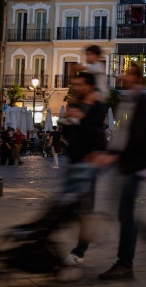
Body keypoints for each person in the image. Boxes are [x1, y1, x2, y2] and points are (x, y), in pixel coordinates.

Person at [91, 63, 146, 280]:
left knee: (126, 214)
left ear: (135, 77)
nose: (120, 76)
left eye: (125, 73)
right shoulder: (128, 99)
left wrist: (114, 155)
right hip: (125, 164)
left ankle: (125, 263)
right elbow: (121, 133)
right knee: (127, 214)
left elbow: (136, 134)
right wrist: (108, 152)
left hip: (133, 165)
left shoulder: (141, 99)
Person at [60, 72, 107, 266]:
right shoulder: (77, 104)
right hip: (74, 160)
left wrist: (81, 118)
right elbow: (66, 133)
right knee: (69, 206)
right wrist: (68, 118)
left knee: (85, 208)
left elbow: (95, 133)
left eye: (79, 84)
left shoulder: (98, 107)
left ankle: (80, 250)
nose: (76, 87)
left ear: (89, 86)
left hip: (89, 162)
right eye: (75, 84)